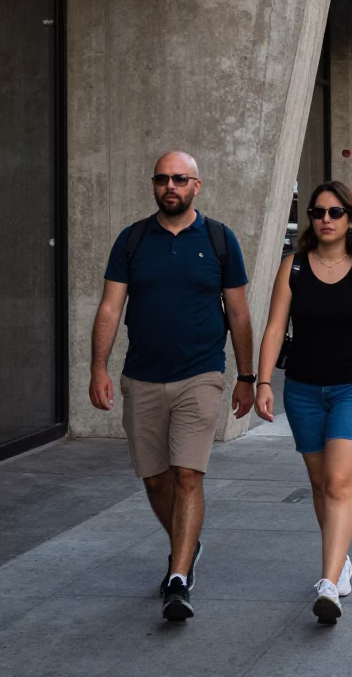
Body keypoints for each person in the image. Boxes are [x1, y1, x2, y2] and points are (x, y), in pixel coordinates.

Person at [89, 151, 254, 622]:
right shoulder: (132, 240)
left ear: (196, 185)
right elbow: (108, 308)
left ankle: (178, 578)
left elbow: (238, 313)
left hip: (201, 375)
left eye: (179, 179)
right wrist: (98, 368)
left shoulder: (220, 239)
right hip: (141, 377)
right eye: (162, 179)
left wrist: (245, 377)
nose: (170, 186)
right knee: (156, 479)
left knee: (187, 475)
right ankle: (188, 540)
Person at [255, 181, 352, 625]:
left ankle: (327, 584)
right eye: (318, 212)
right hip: (303, 389)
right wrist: (263, 381)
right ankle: (339, 562)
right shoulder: (294, 269)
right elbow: (273, 329)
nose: (325, 219)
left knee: (339, 483)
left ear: (350, 219)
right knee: (321, 485)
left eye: (335, 212)